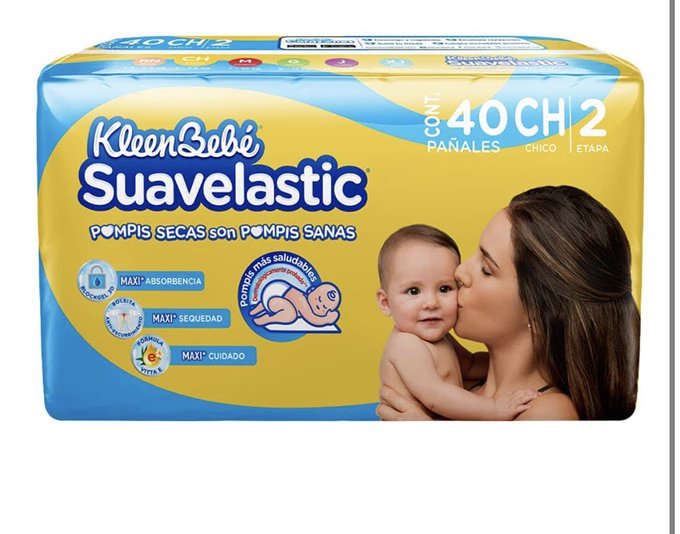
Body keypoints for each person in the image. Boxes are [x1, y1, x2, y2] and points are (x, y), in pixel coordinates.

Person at [378, 186, 640, 421]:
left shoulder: (547, 413)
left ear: (538, 312)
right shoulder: (462, 390)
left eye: (486, 269)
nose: (459, 273)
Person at [376, 224, 539, 420]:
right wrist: (494, 408)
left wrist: (517, 367)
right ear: (385, 303)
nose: (431, 303)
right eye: (413, 291)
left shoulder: (441, 339)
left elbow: (470, 365)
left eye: (444, 289)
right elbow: (435, 397)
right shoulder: (406, 344)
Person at [249, 281, 341, 327]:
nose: (319, 305)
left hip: (275, 294)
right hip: (275, 294)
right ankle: (267, 319)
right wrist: (326, 320)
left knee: (288, 308)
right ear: (310, 291)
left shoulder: (299, 300)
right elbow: (312, 318)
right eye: (319, 299)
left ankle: (258, 309)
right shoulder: (302, 300)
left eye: (324, 307)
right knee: (290, 315)